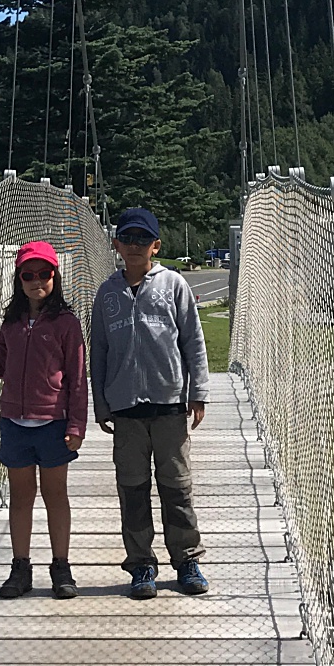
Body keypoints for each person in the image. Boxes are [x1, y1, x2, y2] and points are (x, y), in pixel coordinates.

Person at [0, 238, 86, 599]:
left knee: (56, 495)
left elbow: (77, 378)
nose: (37, 281)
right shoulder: (11, 323)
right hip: (15, 424)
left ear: (55, 276)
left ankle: (61, 567)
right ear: (19, 278)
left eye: (44, 273)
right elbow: (1, 366)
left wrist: (76, 425)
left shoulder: (66, 324)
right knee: (21, 496)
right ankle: (21, 567)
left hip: (54, 424)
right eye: (29, 274)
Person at [90, 206, 210, 599]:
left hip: (170, 404)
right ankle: (141, 564)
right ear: (116, 244)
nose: (135, 246)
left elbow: (193, 341)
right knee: (133, 489)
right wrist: (101, 403)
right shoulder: (106, 293)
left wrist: (199, 392)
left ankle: (187, 559)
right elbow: (100, 352)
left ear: (156, 246)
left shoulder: (174, 285)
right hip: (126, 409)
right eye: (128, 239)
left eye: (144, 239)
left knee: (177, 487)